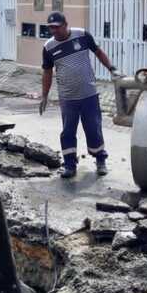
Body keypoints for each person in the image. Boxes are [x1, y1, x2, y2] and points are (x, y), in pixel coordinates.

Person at [39, 12, 118, 178]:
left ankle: (100, 160)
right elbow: (47, 72)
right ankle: (69, 165)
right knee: (68, 132)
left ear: (65, 24)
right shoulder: (48, 47)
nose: (54, 31)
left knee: (93, 128)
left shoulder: (82, 35)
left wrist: (112, 68)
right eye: (51, 28)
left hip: (89, 94)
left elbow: (98, 52)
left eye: (57, 27)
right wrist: (44, 95)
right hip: (68, 98)